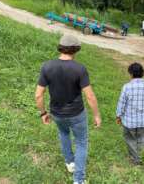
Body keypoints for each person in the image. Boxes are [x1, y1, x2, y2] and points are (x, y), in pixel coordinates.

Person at [35, 34, 101, 184]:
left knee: (64, 134)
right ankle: (78, 179)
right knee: (81, 142)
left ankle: (70, 163)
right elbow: (90, 96)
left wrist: (43, 113)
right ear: (76, 49)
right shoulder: (80, 69)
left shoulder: (47, 66)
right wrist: (97, 115)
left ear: (61, 47)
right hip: (77, 113)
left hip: (57, 113)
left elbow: (39, 95)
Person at [116, 62, 144, 167]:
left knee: (130, 139)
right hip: (142, 122)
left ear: (130, 74)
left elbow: (121, 103)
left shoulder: (126, 87)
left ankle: (137, 161)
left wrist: (118, 116)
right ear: (143, 73)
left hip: (129, 123)